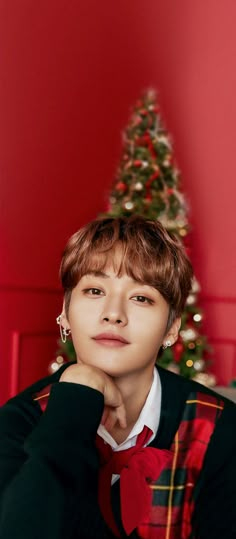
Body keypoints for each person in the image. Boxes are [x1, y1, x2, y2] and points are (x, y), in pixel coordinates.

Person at [0, 216, 235, 539]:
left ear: (172, 328)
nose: (113, 313)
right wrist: (75, 402)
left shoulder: (220, 428)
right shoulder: (20, 421)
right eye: (94, 290)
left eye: (141, 297)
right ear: (66, 313)